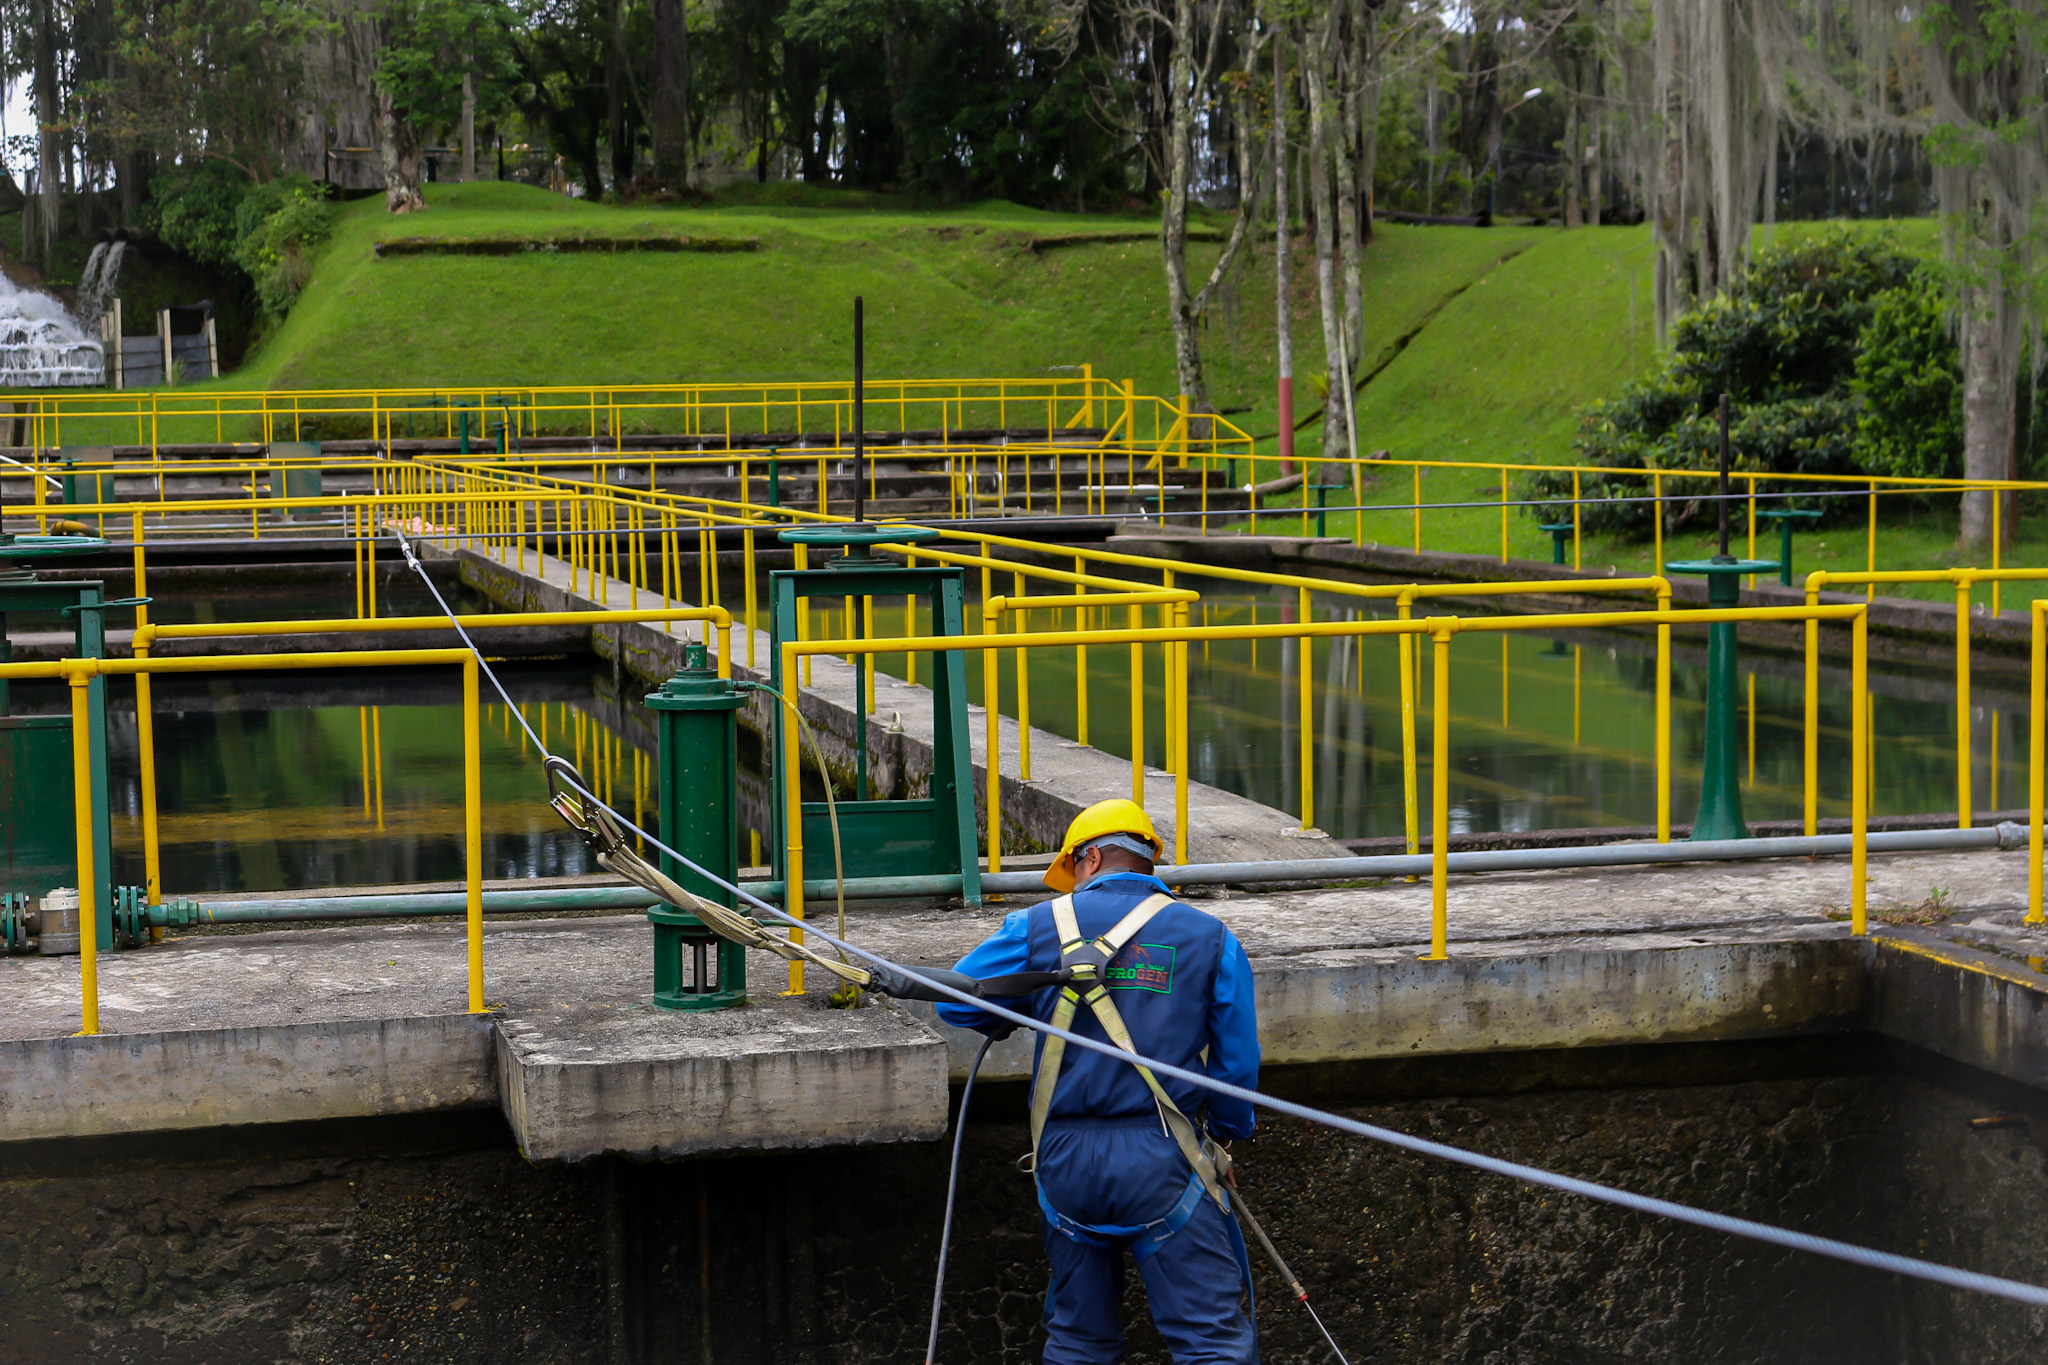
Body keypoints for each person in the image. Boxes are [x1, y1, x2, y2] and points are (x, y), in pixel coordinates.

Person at [936, 798, 1261, 1365]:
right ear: (1146, 861)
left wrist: (1021, 1009)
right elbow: (1236, 1064)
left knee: (1079, 1340)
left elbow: (957, 1001)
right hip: (1164, 1156)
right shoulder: (1209, 936)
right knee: (1211, 1342)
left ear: (1088, 859)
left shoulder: (1036, 927)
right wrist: (1229, 1133)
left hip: (1065, 1162)